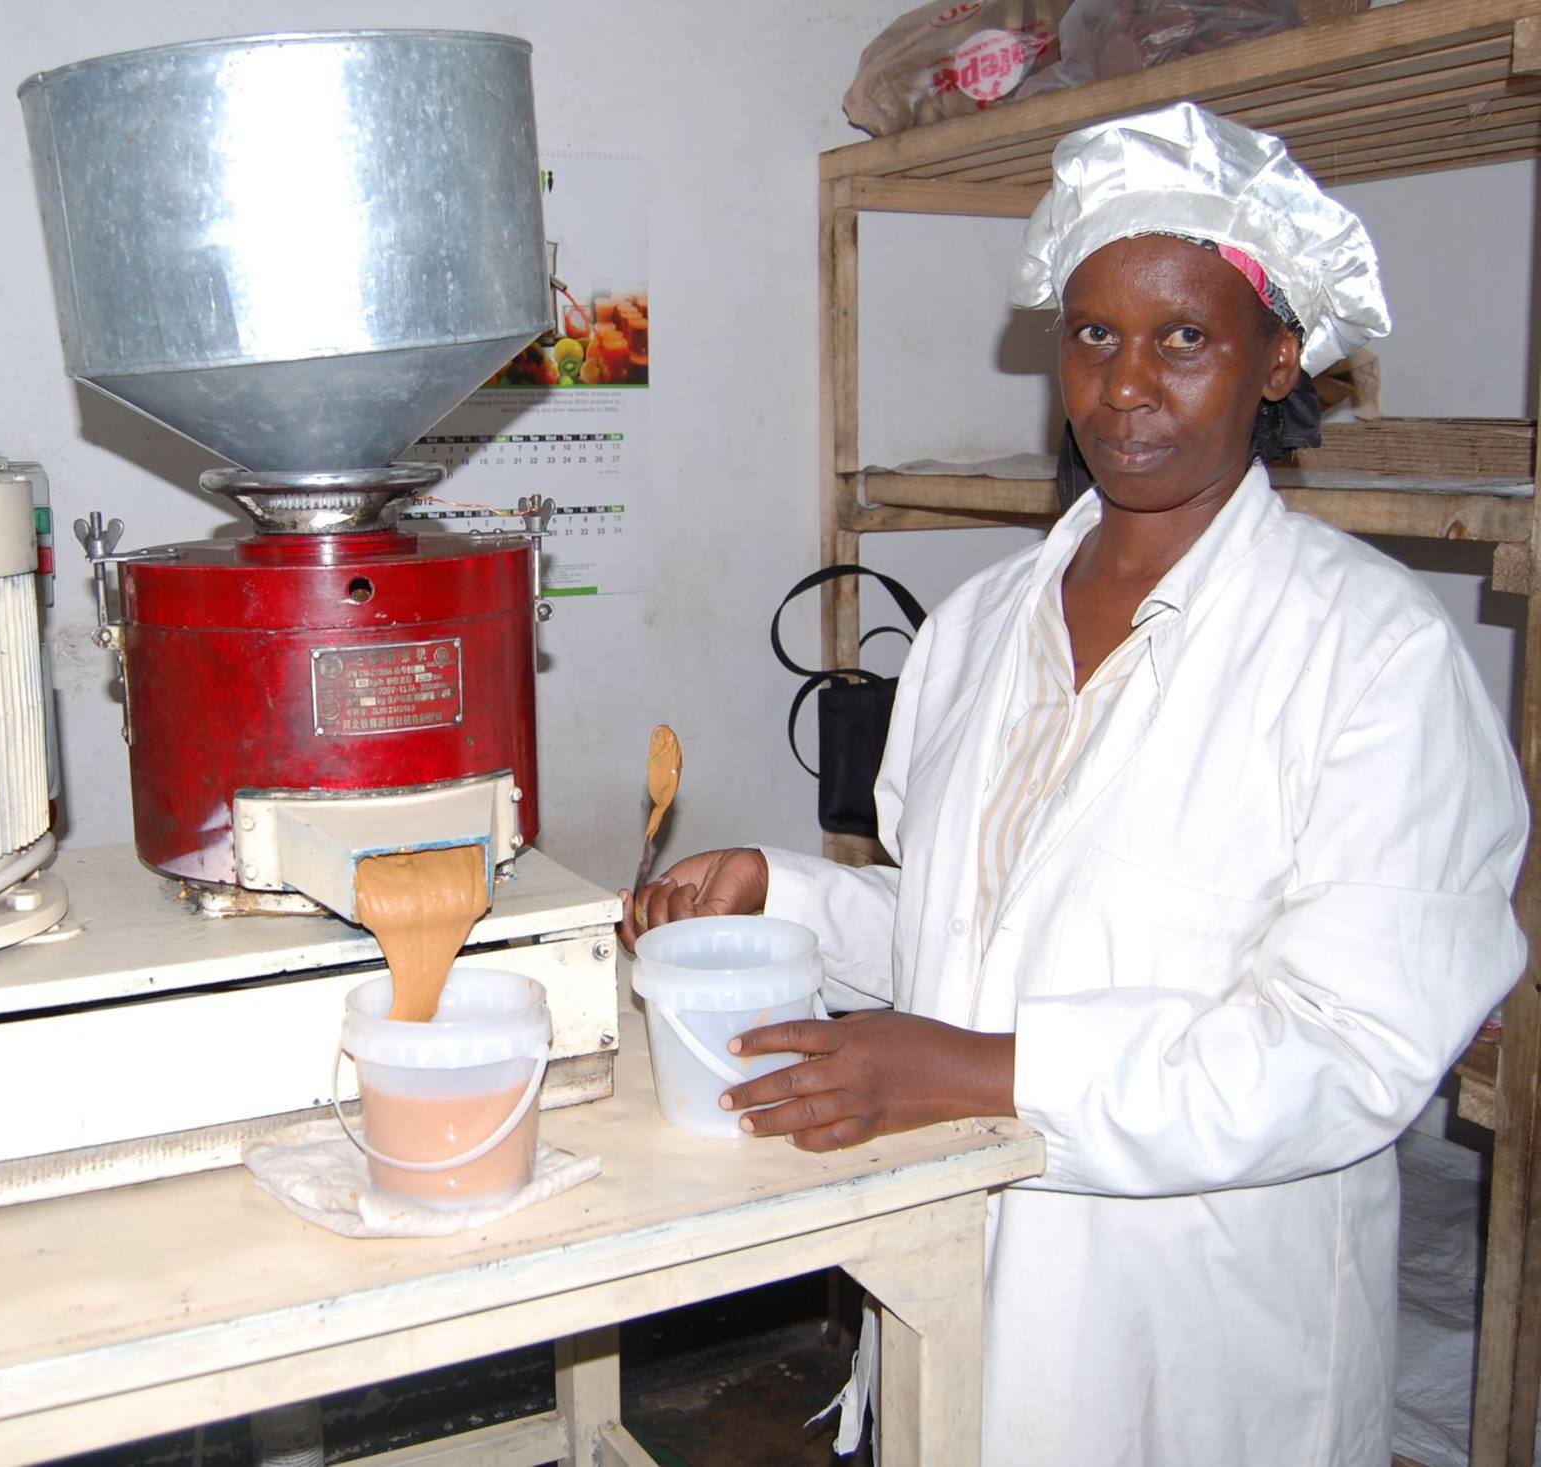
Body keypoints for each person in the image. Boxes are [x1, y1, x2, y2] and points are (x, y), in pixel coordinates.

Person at [621, 103, 1527, 1466]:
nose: (1125, 386)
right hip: (957, 1270)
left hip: (1196, 1326)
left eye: (1186, 338)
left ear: (1280, 359)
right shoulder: (985, 625)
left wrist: (980, 1074)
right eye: (1094, 334)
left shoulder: (1372, 657)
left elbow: (1349, 1054)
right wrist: (781, 897)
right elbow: (966, 929)